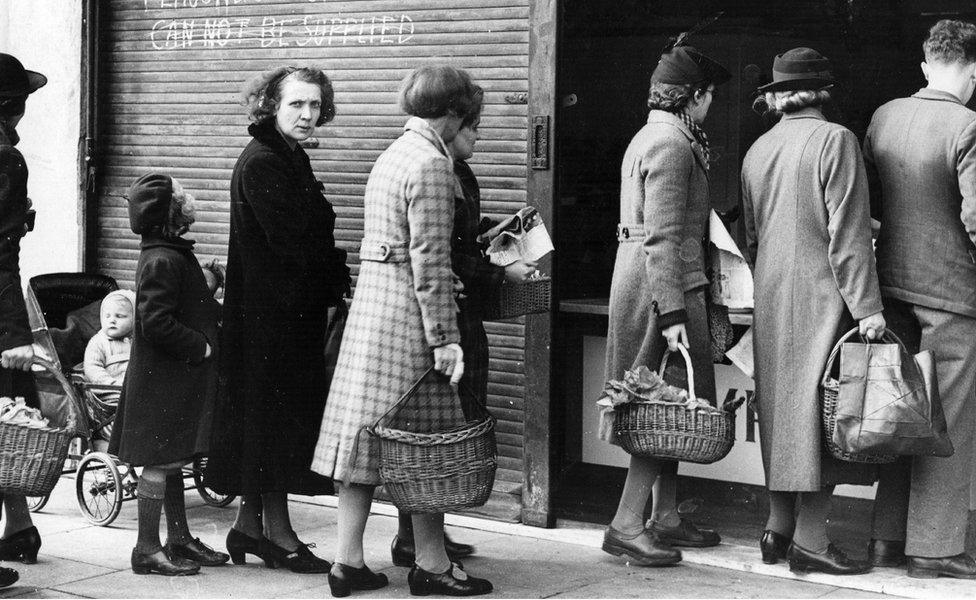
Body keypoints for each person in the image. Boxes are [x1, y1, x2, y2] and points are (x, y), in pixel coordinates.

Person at [311, 65, 492, 597]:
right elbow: (430, 258)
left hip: (373, 313)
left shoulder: (394, 154)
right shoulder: (434, 164)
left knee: (364, 441)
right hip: (410, 323)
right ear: (455, 112)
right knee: (427, 445)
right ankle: (433, 567)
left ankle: (346, 563)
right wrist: (445, 337)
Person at [741, 47, 886, 576]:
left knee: (781, 413)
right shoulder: (836, 140)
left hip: (772, 296)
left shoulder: (758, 149)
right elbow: (847, 238)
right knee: (824, 419)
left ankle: (776, 531)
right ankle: (810, 542)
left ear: (777, 96)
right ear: (823, 91)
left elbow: (752, 237)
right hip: (826, 297)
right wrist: (868, 309)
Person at [203, 65, 351, 574]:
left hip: (287, 317)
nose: (308, 114)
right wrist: (336, 274)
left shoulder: (290, 157)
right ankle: (280, 536)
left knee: (271, 426)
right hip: (270, 322)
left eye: (315, 105)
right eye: (297, 105)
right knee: (274, 427)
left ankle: (249, 529)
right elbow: (296, 246)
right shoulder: (264, 162)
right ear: (271, 105)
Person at [388, 85, 539, 568]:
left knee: (452, 423)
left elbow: (462, 236)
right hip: (450, 317)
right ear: (453, 124)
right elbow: (444, 256)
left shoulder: (459, 173)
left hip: (464, 314)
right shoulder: (436, 170)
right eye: (473, 127)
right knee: (436, 427)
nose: (477, 137)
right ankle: (414, 538)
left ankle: (427, 532)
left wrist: (500, 230)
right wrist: (501, 270)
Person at [600, 43, 729, 568]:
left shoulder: (648, 136)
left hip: (646, 280)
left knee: (669, 403)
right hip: (664, 287)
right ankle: (626, 526)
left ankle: (666, 517)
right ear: (694, 98)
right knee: (665, 407)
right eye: (710, 98)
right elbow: (663, 236)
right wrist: (673, 313)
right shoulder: (674, 146)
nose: (710, 107)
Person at [864, 19, 976, 580]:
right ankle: (934, 548)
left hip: (889, 289)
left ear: (927, 64)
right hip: (952, 294)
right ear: (974, 73)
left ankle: (886, 539)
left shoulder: (884, 116)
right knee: (945, 422)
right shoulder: (969, 125)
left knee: (902, 412)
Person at [109, 173, 229, 576]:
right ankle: (146, 547)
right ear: (172, 214)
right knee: (160, 462)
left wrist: (207, 285)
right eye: (181, 196)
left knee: (173, 456)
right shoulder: (162, 257)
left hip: (175, 380)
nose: (189, 199)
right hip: (164, 381)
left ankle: (178, 539)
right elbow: (155, 321)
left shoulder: (168, 252)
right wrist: (201, 345)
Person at [0, 52, 48, 589]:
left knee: (5, 421)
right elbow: (0, 252)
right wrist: (14, 334)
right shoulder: (6, 159)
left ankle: (19, 526)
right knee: (5, 418)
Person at [82, 289, 136, 441]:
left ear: (135, 319)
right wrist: (110, 383)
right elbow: (93, 369)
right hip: (108, 394)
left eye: (120, 316)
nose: (112, 320)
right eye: (107, 316)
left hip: (133, 391)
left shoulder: (138, 343)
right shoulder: (99, 342)